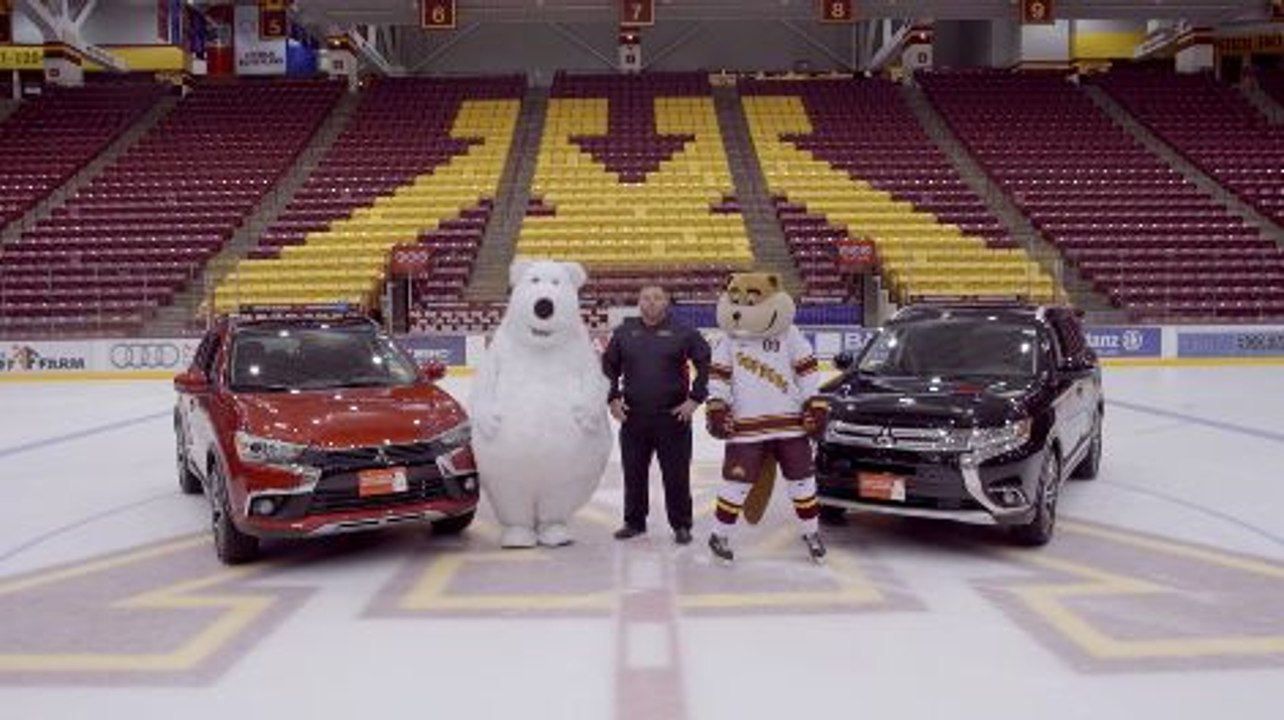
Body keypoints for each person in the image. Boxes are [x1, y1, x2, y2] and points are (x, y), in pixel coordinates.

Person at [602, 285, 711, 545]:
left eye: (657, 298)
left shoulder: (684, 332)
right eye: (646, 298)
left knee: (676, 474)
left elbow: (706, 364)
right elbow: (608, 367)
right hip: (634, 416)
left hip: (673, 417)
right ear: (639, 302)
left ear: (666, 302)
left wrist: (695, 399)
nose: (651, 302)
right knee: (634, 472)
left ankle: (681, 525)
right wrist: (613, 398)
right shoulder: (624, 332)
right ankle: (634, 522)